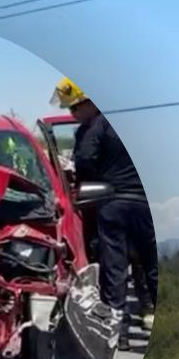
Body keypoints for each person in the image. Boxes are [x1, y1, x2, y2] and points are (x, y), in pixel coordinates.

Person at [51, 77, 158, 332]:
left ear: (90, 103)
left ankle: (115, 332)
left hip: (114, 204)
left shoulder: (92, 129)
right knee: (153, 265)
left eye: (74, 108)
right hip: (147, 205)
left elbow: (85, 162)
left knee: (114, 269)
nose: (72, 114)